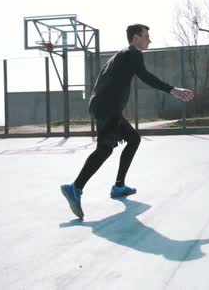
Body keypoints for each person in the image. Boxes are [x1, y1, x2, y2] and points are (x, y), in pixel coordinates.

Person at [61, 24, 194, 219]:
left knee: (133, 139)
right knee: (105, 148)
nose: (149, 40)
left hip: (106, 106)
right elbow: (145, 76)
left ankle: (119, 186)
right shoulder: (132, 53)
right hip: (107, 107)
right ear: (135, 37)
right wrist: (172, 89)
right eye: (146, 36)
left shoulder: (121, 55)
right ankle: (75, 187)